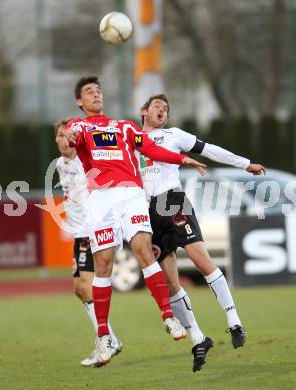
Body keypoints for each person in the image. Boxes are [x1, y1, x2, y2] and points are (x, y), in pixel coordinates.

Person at [64, 75, 207, 365]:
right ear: (80, 101)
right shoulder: (79, 126)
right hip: (101, 199)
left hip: (130, 194)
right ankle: (103, 336)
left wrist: (182, 159)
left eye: (99, 90)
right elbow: (73, 137)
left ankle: (168, 317)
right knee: (103, 266)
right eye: (89, 92)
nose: (96, 94)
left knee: (144, 249)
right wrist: (70, 138)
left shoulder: (124, 126)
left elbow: (150, 148)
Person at [138, 94, 266, 369]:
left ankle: (234, 321)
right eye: (157, 106)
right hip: (146, 212)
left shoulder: (173, 135)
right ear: (144, 111)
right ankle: (198, 339)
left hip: (171, 200)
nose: (162, 111)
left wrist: (245, 163)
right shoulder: (131, 139)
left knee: (201, 259)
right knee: (170, 282)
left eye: (166, 109)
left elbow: (210, 149)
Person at [55, 118, 122, 368]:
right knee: (79, 289)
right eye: (59, 136)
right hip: (78, 232)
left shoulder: (87, 161)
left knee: (87, 286)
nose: (62, 140)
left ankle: (106, 339)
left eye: (65, 135)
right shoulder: (61, 165)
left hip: (91, 229)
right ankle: (110, 338)